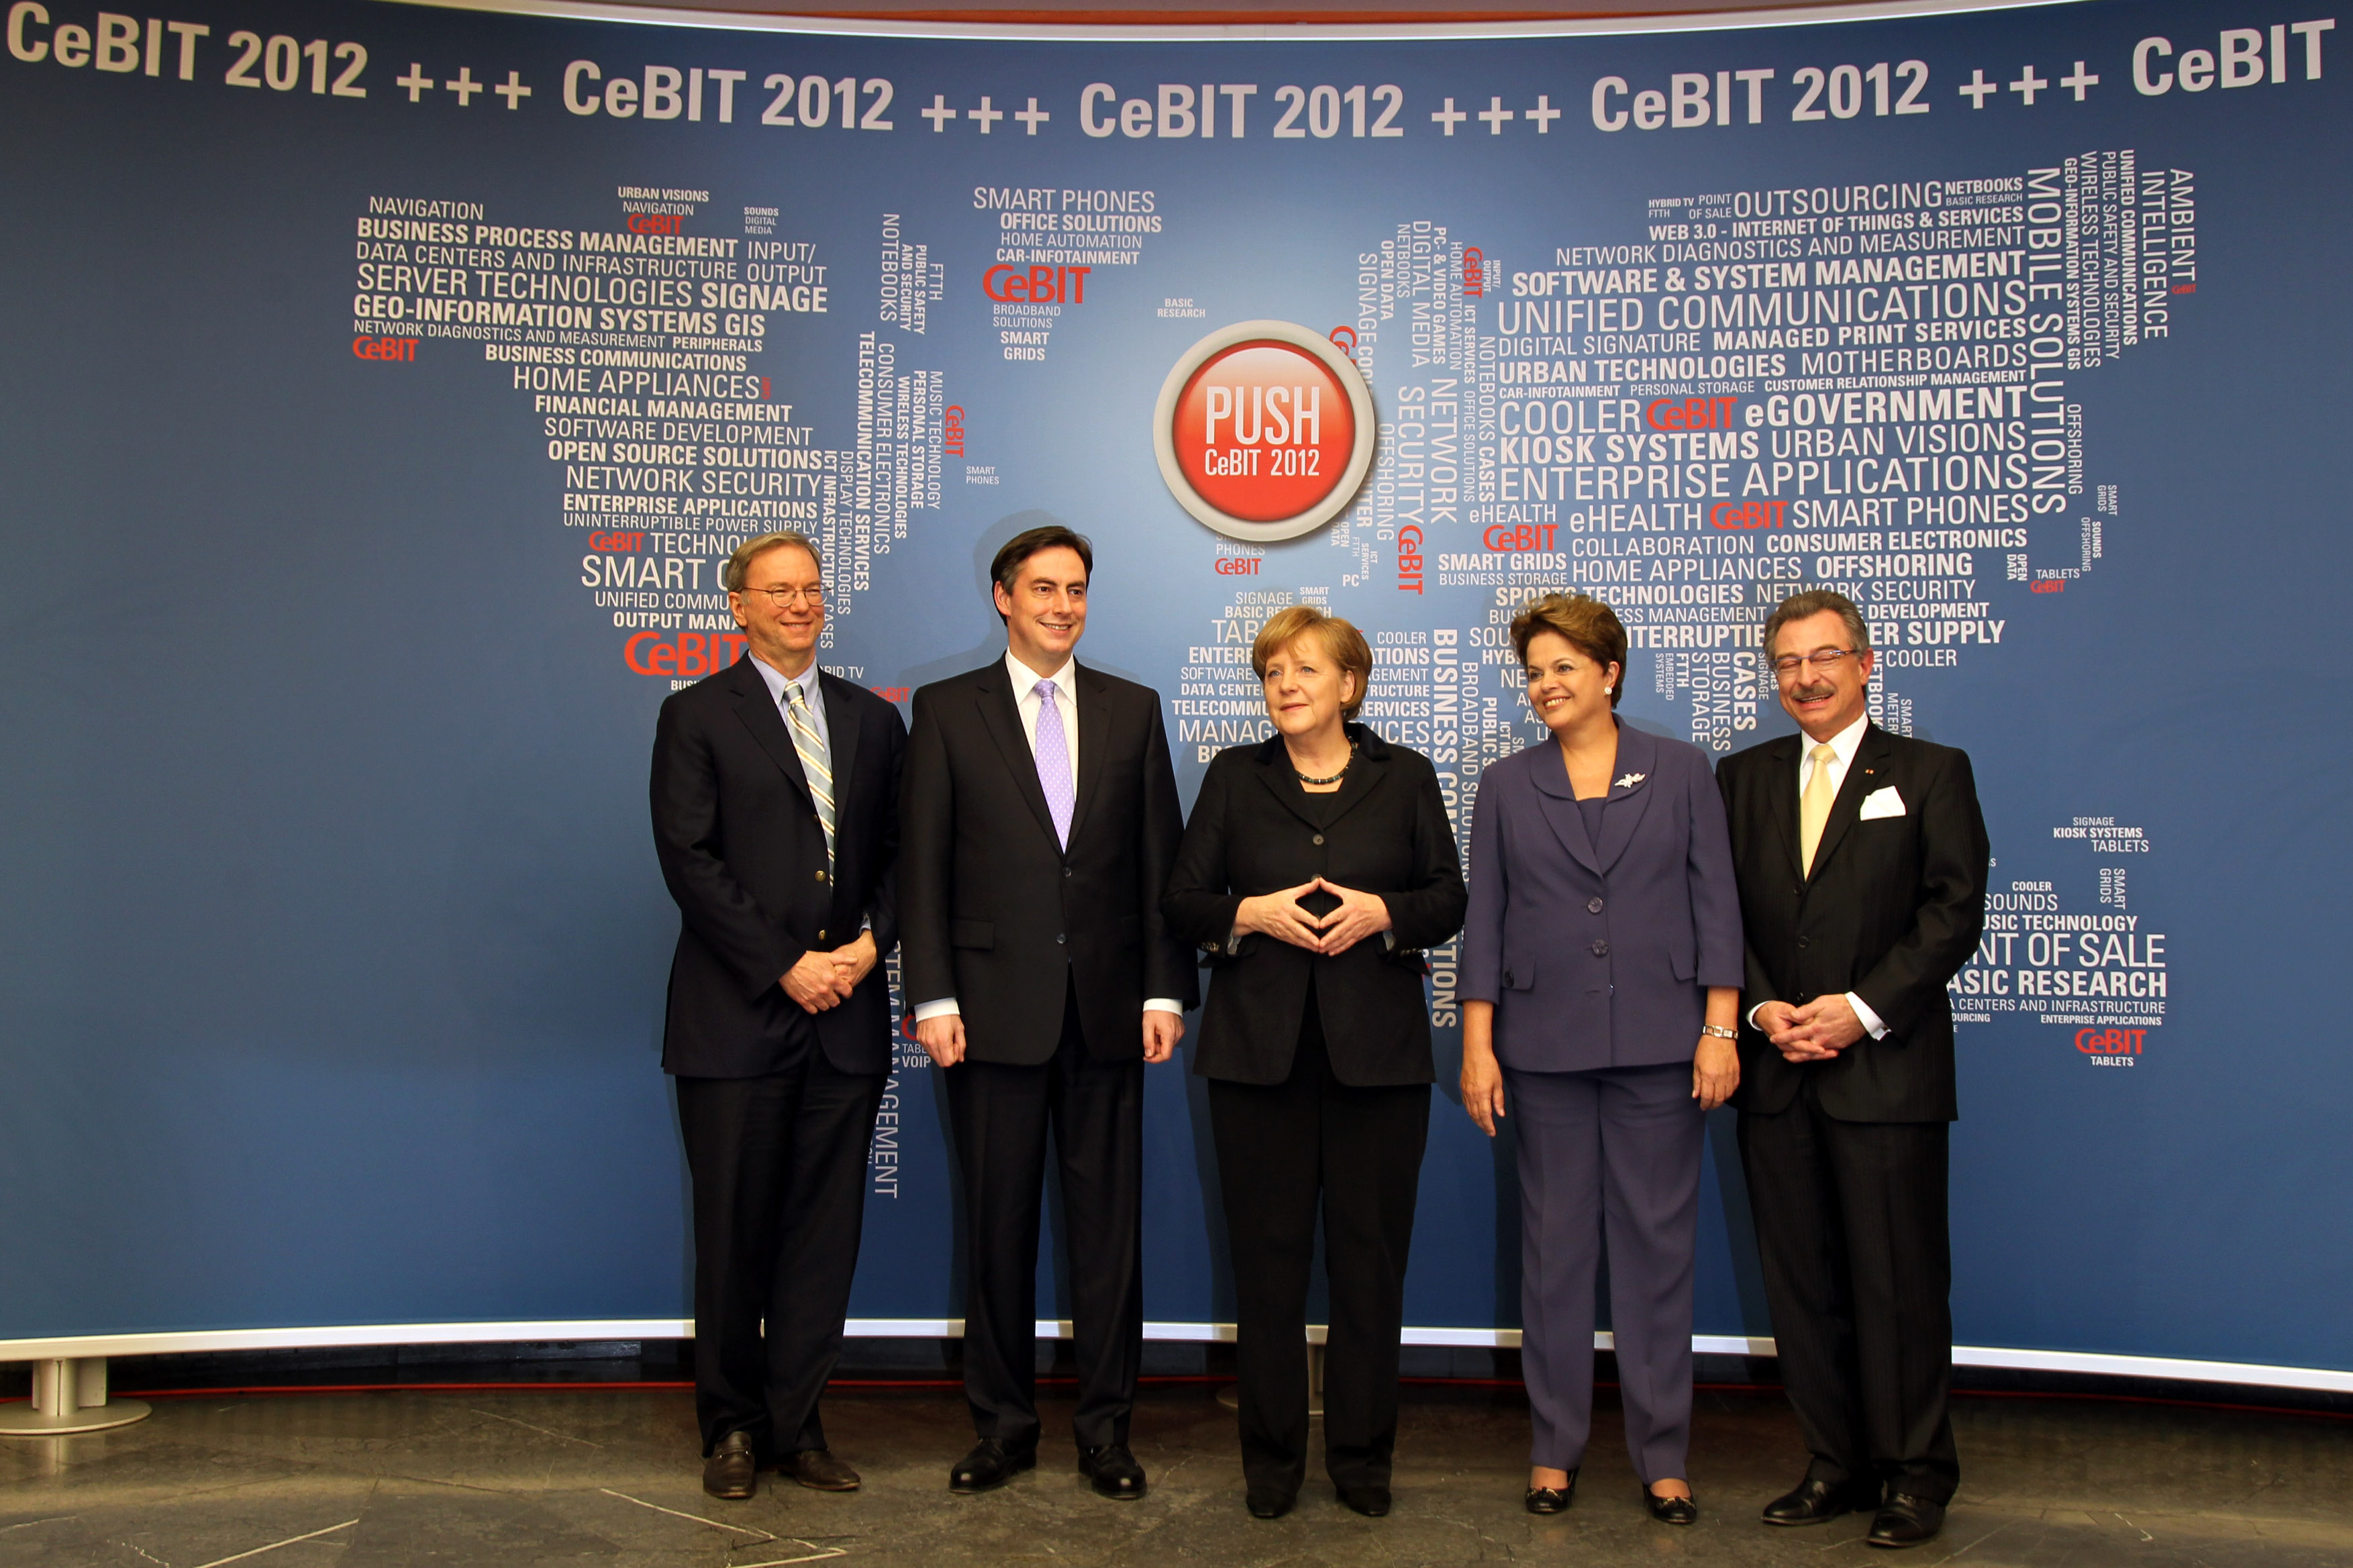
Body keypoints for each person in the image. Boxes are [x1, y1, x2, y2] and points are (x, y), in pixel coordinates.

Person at [899, 525, 1197, 1500]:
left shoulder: (1131, 707)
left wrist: (1164, 987)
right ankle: (1004, 1427)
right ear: (1002, 597)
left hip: (1110, 1013)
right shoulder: (946, 711)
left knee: (1109, 1238)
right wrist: (933, 995)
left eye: (1075, 589)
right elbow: (924, 868)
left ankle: (1107, 1431)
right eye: (1042, 588)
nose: (1062, 605)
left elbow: (1161, 865)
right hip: (986, 1016)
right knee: (996, 1231)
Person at [1162, 606, 1466, 1522]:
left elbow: (1446, 896)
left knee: (1370, 1264)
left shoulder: (1403, 775)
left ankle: (1364, 1459)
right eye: (1271, 672)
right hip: (1259, 1058)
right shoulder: (1234, 776)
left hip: (1377, 1059)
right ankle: (1271, 1464)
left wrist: (1387, 915)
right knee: (1267, 1268)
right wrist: (1247, 914)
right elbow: (1182, 897)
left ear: (1350, 683)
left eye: (1303, 668)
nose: (1285, 684)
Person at [1457, 593, 1744, 1525]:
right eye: (1534, 671)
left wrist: (1719, 1027)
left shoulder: (1680, 769)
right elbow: (1485, 924)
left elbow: (1717, 909)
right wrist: (1477, 1046)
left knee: (1659, 1254)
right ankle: (1552, 1449)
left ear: (1609, 672)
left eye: (1563, 668)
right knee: (1553, 1255)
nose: (1544, 685)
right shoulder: (1504, 783)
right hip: (1540, 1051)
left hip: (1664, 1047)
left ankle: (1663, 1457)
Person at [1716, 589, 1989, 1549]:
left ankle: (1915, 1476)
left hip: (1886, 1072)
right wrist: (1758, 1009)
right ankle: (1833, 1462)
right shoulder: (1737, 779)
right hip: (1777, 1071)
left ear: (1865, 663)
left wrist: (1860, 1009)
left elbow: (1952, 911)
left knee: (1898, 1284)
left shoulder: (1928, 770)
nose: (1806, 676)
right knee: (1802, 1284)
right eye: (1787, 661)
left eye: (1824, 656)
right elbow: (1715, 917)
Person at [648, 531, 908, 1502]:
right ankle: (731, 1430)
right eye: (778, 591)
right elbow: (690, 861)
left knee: (821, 1236)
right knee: (732, 1237)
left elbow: (902, 854)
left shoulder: (873, 722)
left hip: (845, 1020)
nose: (800, 603)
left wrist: (867, 946)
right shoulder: (695, 716)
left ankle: (799, 1426)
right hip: (735, 1023)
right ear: (738, 608)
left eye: (810, 588)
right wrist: (785, 964)